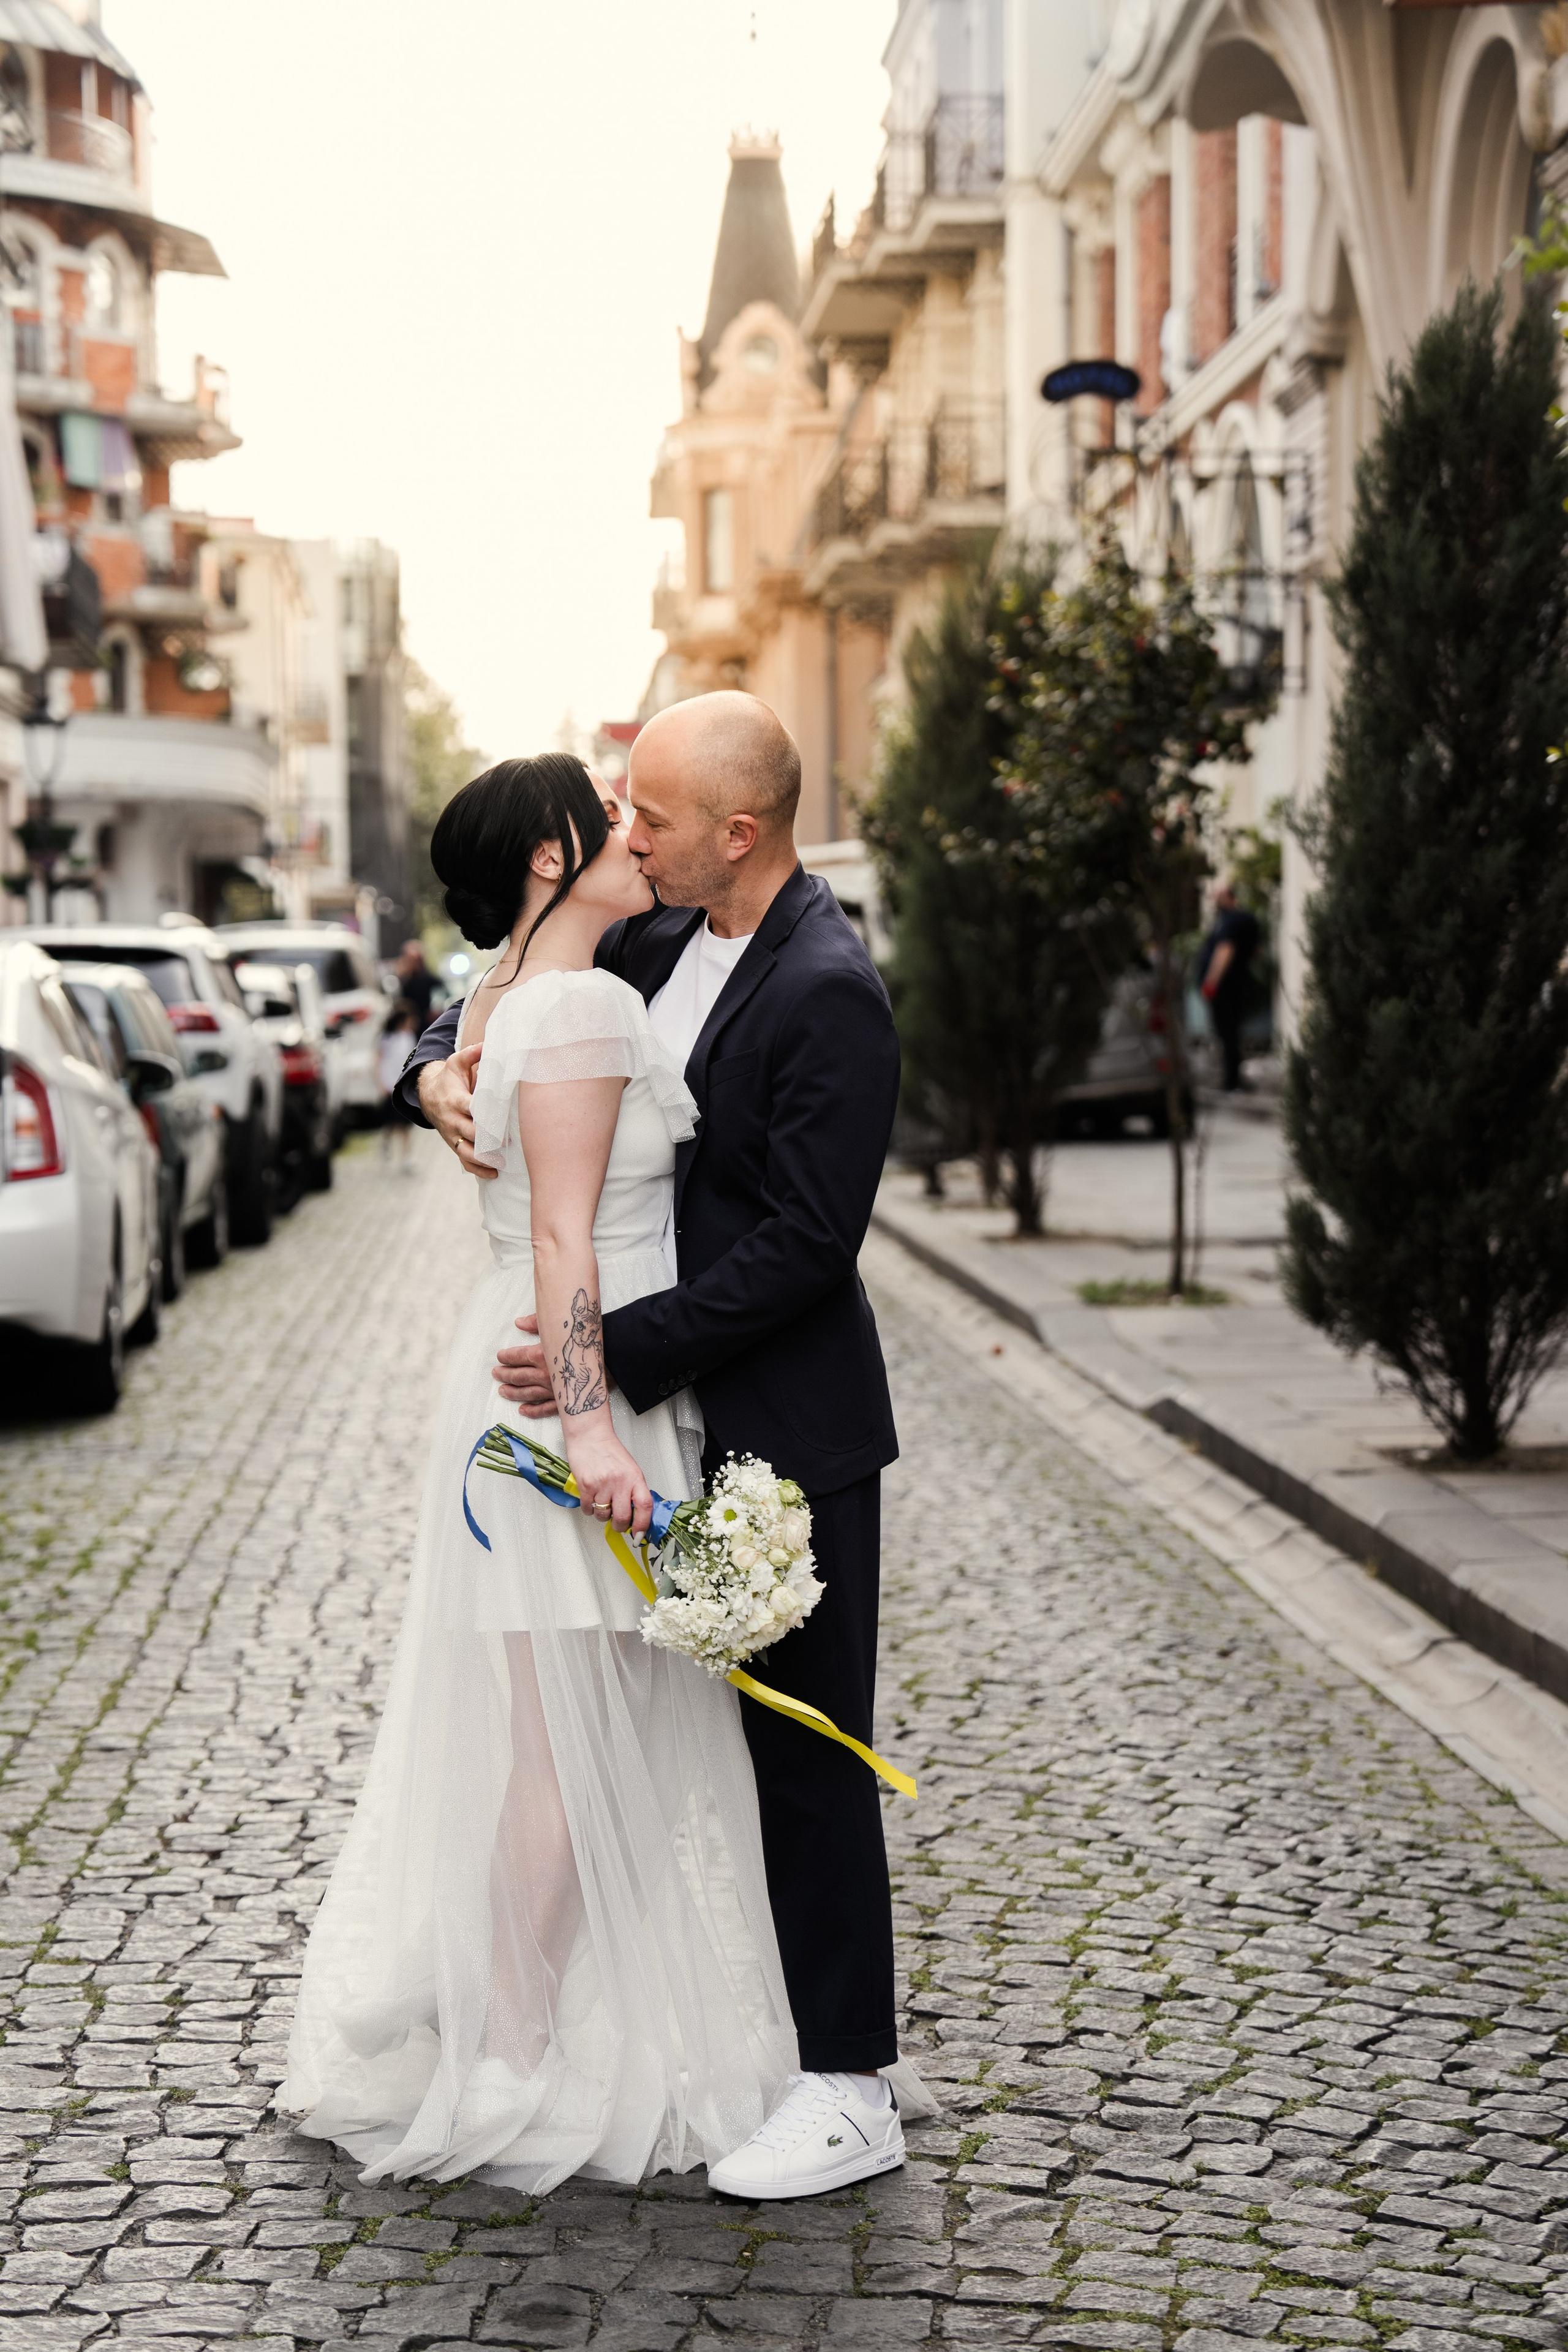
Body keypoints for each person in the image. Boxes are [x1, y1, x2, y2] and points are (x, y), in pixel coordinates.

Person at [396, 692, 924, 2199]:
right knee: (638, 1746)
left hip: (787, 1429)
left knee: (802, 1753)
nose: (628, 835)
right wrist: (428, 1066)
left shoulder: (825, 984)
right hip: (658, 1415)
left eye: (655, 816)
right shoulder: (648, 937)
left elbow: (812, 1244)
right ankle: (606, 2027)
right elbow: (507, 977)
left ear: (738, 832)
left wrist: (608, 1357)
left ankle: (845, 2086)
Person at [283, 752, 803, 2192]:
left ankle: (511, 2022)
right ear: (545, 855)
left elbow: (503, 1133)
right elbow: (569, 1235)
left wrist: (441, 1066)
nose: (636, 833)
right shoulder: (572, 1002)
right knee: (562, 1752)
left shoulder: (520, 991)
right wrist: (587, 1429)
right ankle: (511, 2046)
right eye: (612, 814)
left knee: (572, 1734)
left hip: (534, 1371)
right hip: (565, 1391)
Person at [1197, 878, 1261, 1093]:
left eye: (1217, 895)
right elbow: (1255, 953)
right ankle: (1233, 1078)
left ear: (1227, 896)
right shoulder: (1244, 919)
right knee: (1231, 1033)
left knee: (1227, 1034)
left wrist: (1211, 982)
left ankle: (1230, 1081)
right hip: (1237, 985)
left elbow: (1225, 951)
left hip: (1226, 988)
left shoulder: (1233, 921)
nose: (1214, 899)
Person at [377, 998, 418, 1168]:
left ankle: (407, 1156)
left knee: (405, 1125)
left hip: (402, 1086)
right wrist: (381, 1083)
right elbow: (378, 1061)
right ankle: (386, 1147)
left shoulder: (409, 1037)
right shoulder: (386, 1039)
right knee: (391, 1123)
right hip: (389, 1086)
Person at [395, 938, 438, 1032]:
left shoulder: (427, 978)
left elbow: (440, 991)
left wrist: (435, 1009)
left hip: (425, 1022)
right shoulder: (404, 979)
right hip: (409, 1022)